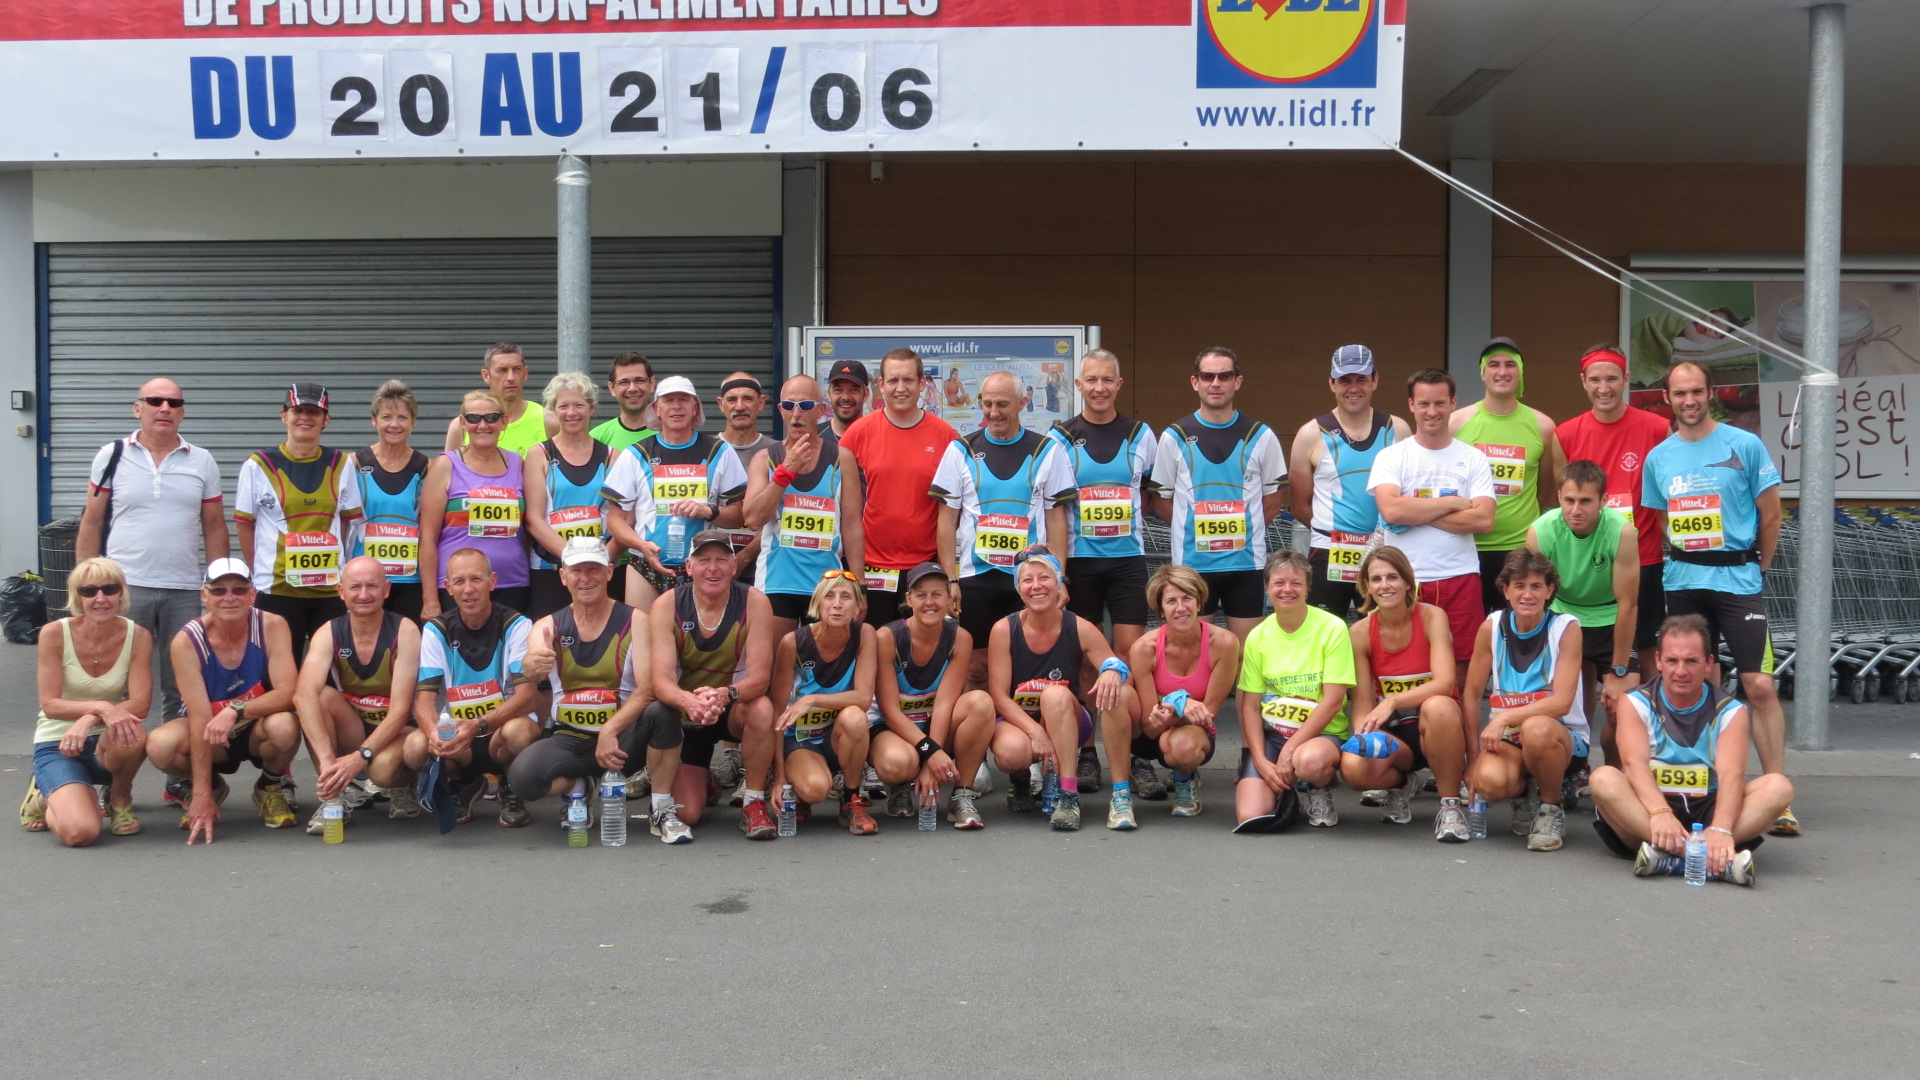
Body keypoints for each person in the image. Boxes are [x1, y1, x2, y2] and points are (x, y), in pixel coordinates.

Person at [1642, 360, 1797, 837]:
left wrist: (1758, 567)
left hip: (1739, 580)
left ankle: (1777, 793)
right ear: (1667, 398)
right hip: (1684, 581)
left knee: (1760, 685)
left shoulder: (1744, 444)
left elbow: (1772, 514)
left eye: (1697, 392)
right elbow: (1664, 519)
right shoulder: (1659, 458)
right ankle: (1706, 788)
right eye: (1679, 393)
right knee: (1694, 683)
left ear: (1711, 393)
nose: (1689, 401)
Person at [1589, 615, 1793, 884]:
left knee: (1778, 787)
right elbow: (1634, 765)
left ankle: (1670, 860)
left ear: (1708, 663)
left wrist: (1721, 828)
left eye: (1691, 661)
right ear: (1658, 661)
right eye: (1672, 660)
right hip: (1648, 813)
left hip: (1707, 809)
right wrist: (1661, 813)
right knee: (1603, 778)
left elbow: (1731, 775)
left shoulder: (1731, 711)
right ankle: (1707, 859)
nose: (1681, 671)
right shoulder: (1635, 702)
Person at [515, 537, 692, 844]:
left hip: (624, 738)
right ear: (563, 577)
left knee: (663, 711)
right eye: (577, 571)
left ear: (609, 572)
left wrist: (611, 728)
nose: (585, 578)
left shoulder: (637, 621)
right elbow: (531, 666)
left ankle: (662, 808)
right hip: (571, 737)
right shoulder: (547, 625)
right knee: (523, 779)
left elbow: (648, 690)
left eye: (593, 569)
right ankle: (579, 787)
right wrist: (533, 663)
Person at [76, 377, 228, 723]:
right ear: (137, 409)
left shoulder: (202, 461)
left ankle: (176, 754)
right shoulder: (112, 455)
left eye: (174, 403)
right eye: (155, 401)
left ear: (182, 413)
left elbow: (215, 526)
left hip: (183, 589)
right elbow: (92, 521)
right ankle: (114, 754)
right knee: (117, 680)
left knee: (182, 684)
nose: (165, 409)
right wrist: (87, 583)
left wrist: (218, 585)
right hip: (125, 587)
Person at [1050, 349, 1163, 797]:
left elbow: (1151, 494)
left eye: (1107, 380)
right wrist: (1059, 571)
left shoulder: (1141, 434)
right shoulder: (1060, 437)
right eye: (1091, 380)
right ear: (1079, 385)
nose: (1099, 388)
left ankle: (1134, 753)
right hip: (1080, 562)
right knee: (1085, 661)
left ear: (1119, 384)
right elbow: (1054, 505)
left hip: (1127, 561)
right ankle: (1086, 753)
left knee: (1130, 655)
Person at [932, 369, 1075, 685]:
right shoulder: (961, 450)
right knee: (976, 669)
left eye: (1002, 404)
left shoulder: (1047, 450)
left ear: (1023, 402)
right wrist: (950, 579)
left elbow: (1056, 520)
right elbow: (946, 521)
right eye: (987, 404)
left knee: (1029, 667)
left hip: (1029, 578)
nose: (993, 413)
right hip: (976, 578)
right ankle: (980, 719)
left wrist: (1060, 578)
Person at [146, 558, 303, 842]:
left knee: (285, 725)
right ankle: (211, 786)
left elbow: (289, 693)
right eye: (218, 590)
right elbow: (198, 719)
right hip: (209, 732)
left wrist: (236, 710)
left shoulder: (272, 625)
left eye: (239, 590)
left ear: (252, 594)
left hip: (256, 726)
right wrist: (202, 794)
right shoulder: (186, 641)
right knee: (160, 745)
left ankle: (268, 786)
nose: (229, 597)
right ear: (204, 596)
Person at [638, 530, 781, 838]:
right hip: (687, 715)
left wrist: (724, 694)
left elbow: (760, 679)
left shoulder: (755, 601)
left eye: (721, 560)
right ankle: (707, 782)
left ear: (734, 565)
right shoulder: (667, 604)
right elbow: (661, 682)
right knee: (687, 813)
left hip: (732, 707)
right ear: (689, 567)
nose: (713, 568)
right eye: (703, 561)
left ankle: (754, 801)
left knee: (762, 708)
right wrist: (691, 702)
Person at [983, 548, 1135, 831]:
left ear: (1058, 584)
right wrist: (1036, 732)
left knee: (1055, 694)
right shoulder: (1004, 629)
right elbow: (999, 696)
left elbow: (1114, 663)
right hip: (1020, 719)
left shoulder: (1079, 626)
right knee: (1011, 752)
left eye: (1044, 578)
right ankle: (1021, 780)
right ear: (1018, 589)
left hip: (1067, 716)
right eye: (1027, 580)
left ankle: (1068, 794)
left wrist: (1112, 671)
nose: (1036, 586)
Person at [1367, 368, 1497, 689]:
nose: (1432, 411)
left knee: (1464, 667)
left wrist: (1413, 511)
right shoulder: (1391, 457)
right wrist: (1453, 503)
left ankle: (1460, 725)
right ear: (1411, 405)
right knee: (1406, 664)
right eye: (1424, 403)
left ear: (1453, 403)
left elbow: (1483, 520)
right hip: (1406, 580)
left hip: (1460, 575)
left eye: (1440, 403)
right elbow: (1391, 510)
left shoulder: (1473, 458)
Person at [1146, 346, 1287, 642]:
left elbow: (1273, 502)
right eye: (1208, 376)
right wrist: (1192, 528)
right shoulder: (1174, 436)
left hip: (1246, 564)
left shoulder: (1261, 435)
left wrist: (1243, 530)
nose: (1216, 383)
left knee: (1247, 653)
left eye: (1224, 376)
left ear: (1238, 381)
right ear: (1195, 382)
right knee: (1193, 651)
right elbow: (1162, 501)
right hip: (1193, 566)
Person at [402, 548, 542, 826]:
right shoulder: (436, 630)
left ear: (492, 581)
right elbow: (424, 701)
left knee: (520, 731)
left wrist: (477, 725)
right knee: (415, 747)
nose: (468, 589)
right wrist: (434, 734)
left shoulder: (517, 625)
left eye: (476, 579)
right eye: (459, 581)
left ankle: (510, 783)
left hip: (499, 732)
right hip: (458, 737)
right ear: (448, 587)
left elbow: (527, 698)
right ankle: (464, 783)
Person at [1462, 549, 1588, 853]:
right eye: (1519, 586)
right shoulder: (1492, 627)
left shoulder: (1566, 628)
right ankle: (1525, 794)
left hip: (1561, 738)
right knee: (1488, 781)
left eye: (1536, 586)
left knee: (1536, 728)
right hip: (1508, 740)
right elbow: (1470, 694)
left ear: (1550, 590)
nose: (1527, 594)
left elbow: (1561, 702)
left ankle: (1550, 808)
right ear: (1506, 591)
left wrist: (1506, 717)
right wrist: (1472, 758)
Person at [1549, 345, 1672, 657]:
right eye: (1595, 380)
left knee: (1647, 647)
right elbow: (1564, 502)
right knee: (1583, 654)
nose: (1603, 388)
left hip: (1643, 557)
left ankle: (1643, 693)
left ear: (1626, 379)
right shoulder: (1565, 435)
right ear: (1583, 381)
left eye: (1612, 379)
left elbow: (1671, 493)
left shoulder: (1658, 429)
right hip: (1585, 562)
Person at [1343, 546, 1470, 841]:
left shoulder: (1432, 616)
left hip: (1438, 726)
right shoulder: (1359, 632)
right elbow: (1362, 704)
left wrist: (1393, 700)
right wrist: (1364, 736)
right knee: (1353, 767)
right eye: (1376, 579)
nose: (1384, 585)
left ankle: (1450, 805)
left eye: (1392, 577)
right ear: (1367, 586)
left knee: (1438, 706)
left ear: (1408, 582)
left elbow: (1445, 682)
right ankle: (1400, 784)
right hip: (1397, 734)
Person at [1525, 460, 1640, 784]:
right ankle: (1574, 770)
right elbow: (1535, 597)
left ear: (1603, 501)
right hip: (1564, 617)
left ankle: (1613, 776)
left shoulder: (1622, 531)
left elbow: (1628, 605)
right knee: (1562, 704)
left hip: (1610, 617)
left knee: (1624, 706)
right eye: (1569, 500)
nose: (1576, 510)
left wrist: (1619, 671)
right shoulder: (1541, 531)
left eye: (1586, 501)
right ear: (1559, 497)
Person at [291, 556, 422, 833]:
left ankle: (403, 782)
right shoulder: (328, 632)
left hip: (397, 731)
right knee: (318, 696)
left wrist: (360, 757)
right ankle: (334, 795)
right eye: (355, 587)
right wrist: (328, 765)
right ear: (341, 591)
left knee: (381, 772)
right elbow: (303, 695)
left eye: (372, 586)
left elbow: (400, 712)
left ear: (386, 589)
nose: (364, 595)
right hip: (354, 727)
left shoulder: (405, 630)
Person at [25, 558, 151, 845]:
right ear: (77, 596)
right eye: (89, 591)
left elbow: (141, 704)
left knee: (135, 733)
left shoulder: (138, 636)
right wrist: (102, 707)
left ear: (121, 593)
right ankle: (44, 797)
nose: (100, 598)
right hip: (59, 743)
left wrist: (91, 717)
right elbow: (50, 704)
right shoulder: (54, 633)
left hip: (109, 739)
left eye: (110, 589)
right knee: (81, 833)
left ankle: (119, 798)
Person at [234, 381, 363, 657]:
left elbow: (347, 522)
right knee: (277, 672)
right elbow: (244, 523)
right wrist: (258, 571)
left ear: (326, 419)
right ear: (284, 416)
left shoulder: (342, 463)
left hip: (329, 591)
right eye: (297, 411)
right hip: (277, 590)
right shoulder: (258, 464)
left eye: (314, 412)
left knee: (328, 672)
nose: (305, 417)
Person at [601, 375, 750, 611]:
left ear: (695, 408)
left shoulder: (719, 451)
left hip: (702, 566)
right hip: (645, 564)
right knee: (642, 633)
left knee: (698, 635)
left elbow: (739, 515)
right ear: (657, 409)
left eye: (684, 400)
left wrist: (708, 511)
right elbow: (615, 520)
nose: (676, 406)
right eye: (669, 400)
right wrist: (641, 545)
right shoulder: (636, 454)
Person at [1233, 550, 1355, 833]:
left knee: (1308, 761)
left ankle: (1318, 788)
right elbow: (1250, 706)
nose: (1287, 589)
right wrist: (1260, 760)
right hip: (1274, 735)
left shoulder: (1333, 628)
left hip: (1321, 735)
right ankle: (1287, 794)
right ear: (1267, 587)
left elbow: (1333, 701)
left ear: (1308, 588)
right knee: (1250, 815)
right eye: (1279, 582)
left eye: (1296, 583)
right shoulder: (1257, 636)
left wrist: (1290, 751)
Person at [841, 348, 962, 628]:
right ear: (880, 385)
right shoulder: (857, 434)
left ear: (922, 383)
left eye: (908, 380)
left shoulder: (946, 436)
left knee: (920, 649)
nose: (900, 388)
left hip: (925, 567)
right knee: (871, 646)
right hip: (871, 567)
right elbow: (845, 511)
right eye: (893, 380)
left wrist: (949, 576)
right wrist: (857, 580)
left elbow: (952, 512)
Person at [1288, 344, 1409, 618]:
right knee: (1325, 634)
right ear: (1332, 384)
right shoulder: (1310, 434)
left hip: (1384, 553)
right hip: (1329, 553)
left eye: (1361, 379)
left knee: (1384, 634)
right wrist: (1340, 536)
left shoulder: (1398, 430)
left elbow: (1407, 497)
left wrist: (1375, 539)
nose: (1353, 388)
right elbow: (1300, 505)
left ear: (1375, 380)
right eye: (1344, 380)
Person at [742, 373, 866, 641]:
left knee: (824, 663)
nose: (796, 414)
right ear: (780, 410)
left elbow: (852, 527)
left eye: (805, 406)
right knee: (774, 662)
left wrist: (859, 586)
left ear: (820, 411)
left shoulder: (841, 458)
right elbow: (753, 519)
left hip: (826, 585)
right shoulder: (765, 459)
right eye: (789, 406)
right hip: (776, 582)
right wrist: (785, 471)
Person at [871, 563, 995, 828]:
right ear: (908, 599)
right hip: (894, 729)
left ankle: (962, 794)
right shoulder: (887, 637)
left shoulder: (960, 638)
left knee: (980, 702)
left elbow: (944, 705)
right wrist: (931, 752)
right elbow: (890, 711)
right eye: (921, 595)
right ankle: (901, 787)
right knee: (896, 764)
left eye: (937, 594)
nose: (930, 602)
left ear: (949, 599)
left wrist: (931, 759)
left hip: (934, 724)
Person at [1451, 339, 1560, 613]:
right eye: (1494, 365)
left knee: (1515, 629)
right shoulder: (1456, 423)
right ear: (1482, 373)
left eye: (1510, 364)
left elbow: (1546, 490)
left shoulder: (1543, 426)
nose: (1502, 371)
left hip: (1519, 550)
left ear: (1520, 372)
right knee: (1472, 631)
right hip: (1466, 547)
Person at [769, 572, 882, 835]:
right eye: (829, 596)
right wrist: (779, 777)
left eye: (846, 597)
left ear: (857, 606)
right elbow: (776, 712)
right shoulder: (793, 642)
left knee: (855, 716)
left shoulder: (865, 634)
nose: (837, 604)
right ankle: (799, 787)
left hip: (837, 736)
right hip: (800, 738)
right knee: (815, 790)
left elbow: (864, 698)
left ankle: (851, 798)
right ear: (817, 603)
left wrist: (812, 699)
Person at [1126, 564, 1240, 820]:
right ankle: (1121, 790)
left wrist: (1174, 705)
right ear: (1161, 610)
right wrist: (1180, 702)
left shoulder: (1224, 643)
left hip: (1195, 730)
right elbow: (1150, 728)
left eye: (1187, 598)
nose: (1180, 607)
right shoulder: (1144, 648)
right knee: (1122, 698)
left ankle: (1185, 778)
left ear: (1199, 602)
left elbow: (1208, 713)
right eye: (1171, 601)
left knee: (1183, 746)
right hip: (1153, 734)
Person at [420, 389, 532, 619]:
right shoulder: (445, 466)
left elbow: (528, 528)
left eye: (491, 417)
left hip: (513, 582)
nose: (483, 425)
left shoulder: (517, 463)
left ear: (504, 421)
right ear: (463, 423)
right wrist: (430, 599)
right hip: (460, 587)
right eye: (473, 418)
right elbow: (428, 539)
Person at [524, 372, 612, 620]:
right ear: (554, 410)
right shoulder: (539, 454)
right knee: (550, 635)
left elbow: (623, 519)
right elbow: (533, 519)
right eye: (563, 406)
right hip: (549, 566)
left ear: (592, 408)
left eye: (579, 405)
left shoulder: (611, 456)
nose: (571, 413)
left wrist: (597, 560)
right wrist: (572, 557)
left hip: (598, 568)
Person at [351, 380, 431, 622]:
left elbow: (430, 531)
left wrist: (430, 596)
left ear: (413, 422)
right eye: (386, 417)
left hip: (409, 579)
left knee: (406, 642)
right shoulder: (353, 464)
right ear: (374, 420)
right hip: (364, 581)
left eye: (402, 417)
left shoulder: (427, 468)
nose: (394, 424)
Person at [444, 342, 555, 456]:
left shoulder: (548, 422)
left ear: (525, 373)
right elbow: (448, 466)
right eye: (502, 370)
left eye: (517, 369)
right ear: (486, 376)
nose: (511, 378)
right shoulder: (462, 425)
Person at [716, 371, 776, 579]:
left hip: (763, 568)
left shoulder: (778, 453)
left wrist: (745, 556)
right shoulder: (705, 451)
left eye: (748, 399)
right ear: (720, 404)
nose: (739, 406)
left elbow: (781, 516)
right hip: (710, 566)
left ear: (761, 403)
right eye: (732, 399)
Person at [590, 351, 658, 454]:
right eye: (624, 382)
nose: (632, 388)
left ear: (651, 383)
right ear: (612, 388)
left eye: (639, 380)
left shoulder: (669, 434)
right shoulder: (597, 439)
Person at [824, 358, 870, 439]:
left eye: (854, 390)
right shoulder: (814, 436)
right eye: (838, 390)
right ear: (828, 394)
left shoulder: (879, 436)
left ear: (865, 394)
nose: (845, 397)